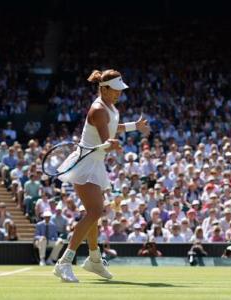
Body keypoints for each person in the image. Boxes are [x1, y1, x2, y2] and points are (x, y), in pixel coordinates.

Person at [53, 69, 150, 282]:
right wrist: (111, 145)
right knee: (95, 211)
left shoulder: (110, 107)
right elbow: (107, 141)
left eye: (120, 91)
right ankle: (64, 262)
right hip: (85, 164)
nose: (119, 94)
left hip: (95, 164)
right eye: (115, 90)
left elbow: (113, 129)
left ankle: (94, 260)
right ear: (104, 89)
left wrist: (135, 126)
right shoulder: (98, 109)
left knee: (94, 213)